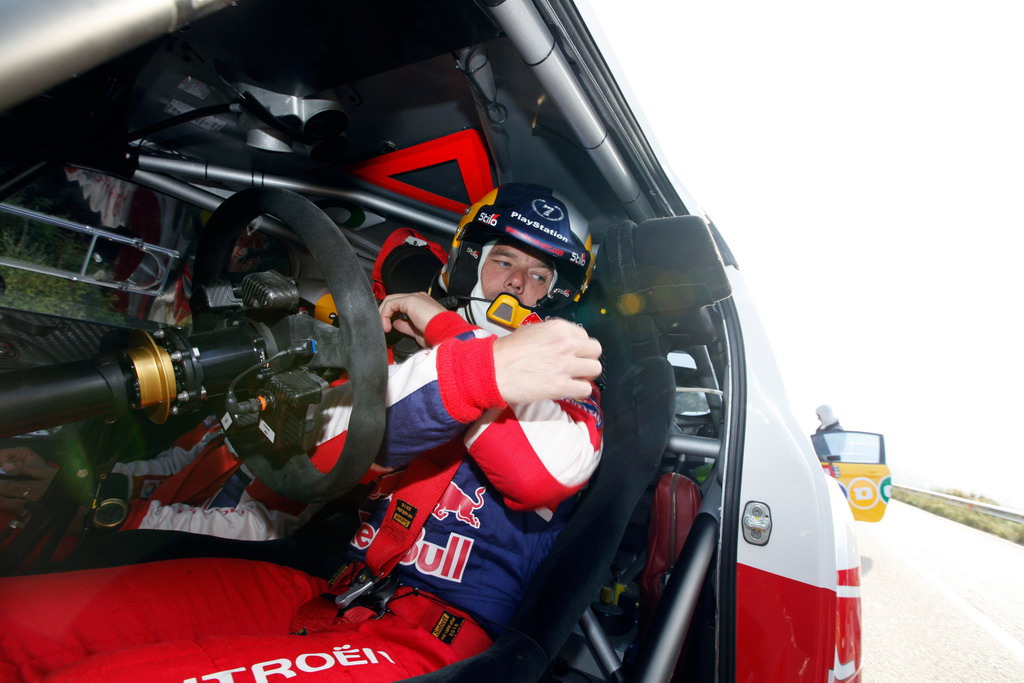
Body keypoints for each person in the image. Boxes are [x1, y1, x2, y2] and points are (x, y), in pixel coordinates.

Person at [0, 183, 604, 682]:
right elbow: (327, 455)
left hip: (432, 640)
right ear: (469, 260)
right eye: (504, 260)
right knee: (18, 623)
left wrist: (448, 329)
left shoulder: (571, 386)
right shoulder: (412, 364)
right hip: (332, 591)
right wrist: (459, 356)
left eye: (539, 275)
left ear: (555, 296)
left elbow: (536, 475)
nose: (517, 284)